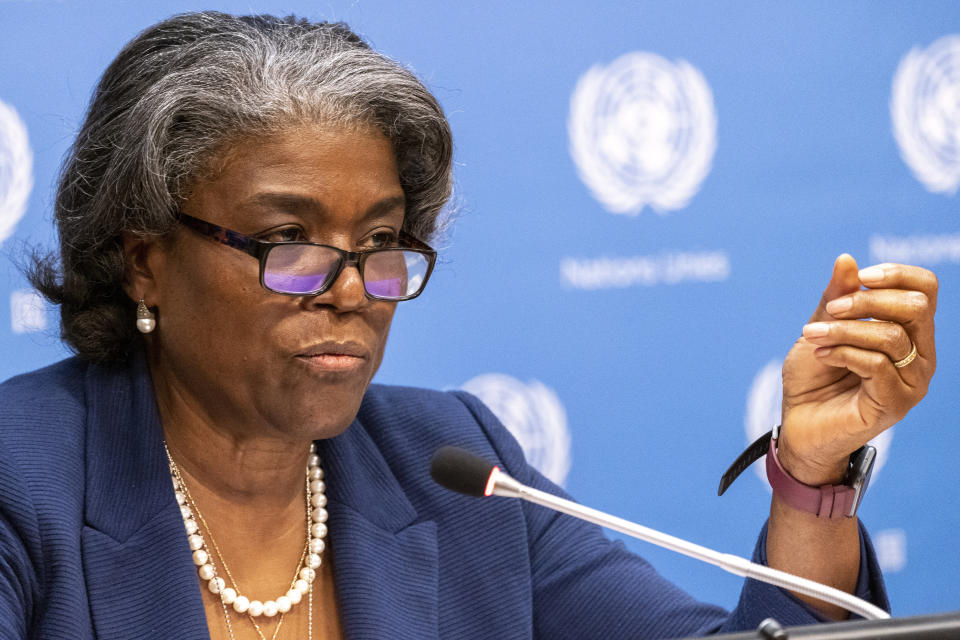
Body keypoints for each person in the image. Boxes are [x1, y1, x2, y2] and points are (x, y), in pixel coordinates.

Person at [0, 11, 937, 640]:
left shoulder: (454, 465)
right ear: (144, 258)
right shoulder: (22, 477)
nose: (353, 289)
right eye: (289, 240)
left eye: (381, 240)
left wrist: (810, 478)